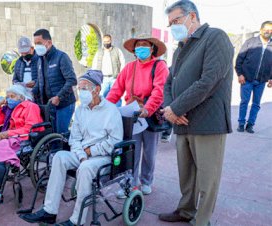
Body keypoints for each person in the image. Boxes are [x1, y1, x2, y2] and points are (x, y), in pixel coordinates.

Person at [159, 1, 234, 226]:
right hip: (182, 122)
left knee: (207, 177)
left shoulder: (215, 37)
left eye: (176, 21)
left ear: (192, 16)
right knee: (187, 174)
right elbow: (169, 82)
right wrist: (169, 109)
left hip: (207, 122)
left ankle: (201, 220)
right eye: (170, 23)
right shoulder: (180, 48)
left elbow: (208, 81)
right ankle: (185, 210)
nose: (172, 26)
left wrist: (175, 108)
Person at [20, 70, 123, 226]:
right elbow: (74, 137)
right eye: (79, 88)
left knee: (86, 168)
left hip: (103, 156)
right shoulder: (81, 109)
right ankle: (49, 211)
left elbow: (114, 141)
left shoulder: (111, 110)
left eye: (85, 88)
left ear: (97, 89)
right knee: (59, 157)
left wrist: (90, 152)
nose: (81, 92)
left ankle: (77, 221)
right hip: (82, 153)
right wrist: (82, 155)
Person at [106, 34, 169, 196]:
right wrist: (105, 107)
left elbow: (159, 91)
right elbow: (116, 90)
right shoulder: (129, 67)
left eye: (145, 45)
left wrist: (147, 108)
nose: (141, 48)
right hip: (131, 114)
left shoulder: (160, 66)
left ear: (152, 48)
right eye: (138, 45)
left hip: (150, 114)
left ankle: (146, 180)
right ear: (134, 50)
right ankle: (129, 183)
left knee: (149, 151)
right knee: (131, 151)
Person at [32, 29, 77, 134]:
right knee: (51, 135)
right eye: (35, 44)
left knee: (61, 134)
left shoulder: (61, 57)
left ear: (49, 43)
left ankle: (67, 150)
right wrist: (31, 93)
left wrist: (59, 97)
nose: (37, 46)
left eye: (39, 43)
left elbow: (72, 80)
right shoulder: (40, 60)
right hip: (48, 105)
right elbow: (40, 81)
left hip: (64, 104)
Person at [235, 21, 272, 133]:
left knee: (256, 104)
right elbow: (239, 59)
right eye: (266, 29)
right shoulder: (250, 42)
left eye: (271, 30)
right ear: (261, 30)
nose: (268, 32)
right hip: (246, 79)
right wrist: (240, 74)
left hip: (261, 81)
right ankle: (241, 123)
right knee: (244, 101)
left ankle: (250, 124)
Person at [92, 34, 125, 106]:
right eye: (105, 41)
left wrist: (121, 75)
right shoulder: (99, 52)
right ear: (103, 42)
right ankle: (104, 113)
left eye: (108, 41)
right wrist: (95, 77)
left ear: (111, 41)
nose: (106, 43)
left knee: (117, 96)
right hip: (102, 79)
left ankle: (117, 112)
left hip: (114, 78)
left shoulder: (117, 51)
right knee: (102, 97)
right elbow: (94, 65)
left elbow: (122, 62)